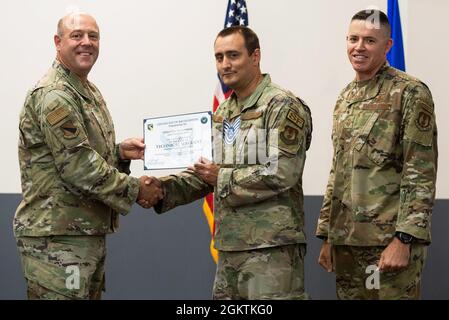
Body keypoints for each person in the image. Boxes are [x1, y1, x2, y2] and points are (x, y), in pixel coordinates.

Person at [142, 26, 312, 299]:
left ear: (255, 56)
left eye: (233, 55)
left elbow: (281, 173)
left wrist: (219, 177)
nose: (225, 64)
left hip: (270, 252)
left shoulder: (281, 106)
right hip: (230, 249)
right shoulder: (225, 111)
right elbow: (205, 173)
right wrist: (161, 189)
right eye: (219, 57)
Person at [14, 12, 162, 300]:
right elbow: (79, 166)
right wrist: (136, 189)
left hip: (80, 235)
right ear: (58, 42)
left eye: (93, 36)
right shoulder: (55, 93)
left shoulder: (85, 90)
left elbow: (79, 153)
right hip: (57, 241)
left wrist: (118, 152)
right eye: (77, 35)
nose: (87, 43)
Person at [316, 9, 438, 299]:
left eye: (369, 40)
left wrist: (404, 238)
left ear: (388, 46)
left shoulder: (410, 93)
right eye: (353, 39)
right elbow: (338, 170)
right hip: (347, 242)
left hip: (388, 244)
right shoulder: (345, 97)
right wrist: (328, 235)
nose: (359, 47)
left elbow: (420, 171)